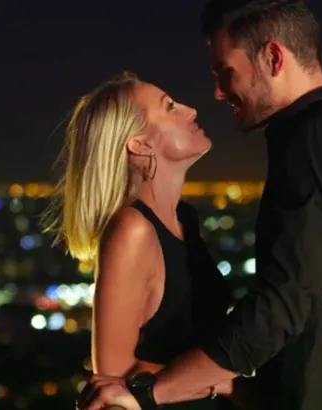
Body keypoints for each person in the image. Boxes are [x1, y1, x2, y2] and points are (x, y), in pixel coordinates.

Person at [76, 0, 322, 409]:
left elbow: (282, 303)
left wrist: (152, 392)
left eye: (226, 72)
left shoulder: (317, 140)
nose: (215, 93)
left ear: (273, 58)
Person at [44, 72, 243, 410]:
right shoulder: (132, 230)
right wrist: (223, 381)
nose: (191, 110)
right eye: (170, 107)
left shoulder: (185, 219)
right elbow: (113, 375)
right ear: (139, 144)